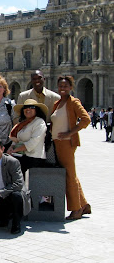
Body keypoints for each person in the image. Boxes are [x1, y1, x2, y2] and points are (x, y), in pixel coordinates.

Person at [51, 76, 91, 220]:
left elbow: (86, 119)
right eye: (60, 86)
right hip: (57, 143)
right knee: (71, 174)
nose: (62, 88)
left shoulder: (73, 102)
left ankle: (76, 209)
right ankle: (84, 205)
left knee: (69, 176)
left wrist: (70, 132)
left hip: (67, 143)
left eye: (65, 86)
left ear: (71, 88)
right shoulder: (58, 103)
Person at [0, 136, 31, 235]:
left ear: (2, 149)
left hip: (11, 194)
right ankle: (2, 218)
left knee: (16, 195)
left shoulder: (12, 162)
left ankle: (16, 223)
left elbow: (18, 184)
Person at [7, 99, 48, 174]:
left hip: (34, 158)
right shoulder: (22, 123)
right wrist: (11, 148)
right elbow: (16, 139)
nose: (28, 109)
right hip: (20, 156)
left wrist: (15, 150)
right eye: (26, 107)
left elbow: (32, 143)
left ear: (36, 110)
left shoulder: (39, 122)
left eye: (31, 107)